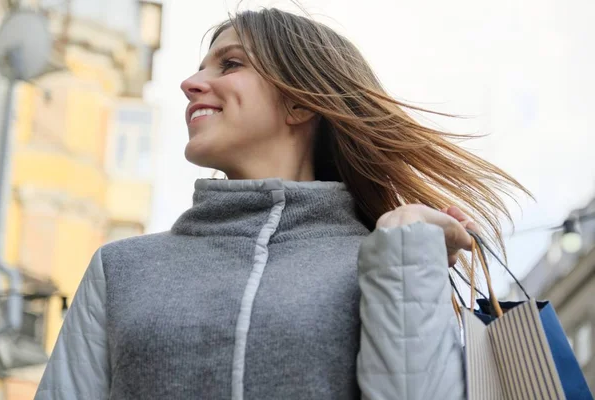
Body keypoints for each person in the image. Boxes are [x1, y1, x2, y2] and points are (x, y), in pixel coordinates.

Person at [35, 8, 528, 400]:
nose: (190, 82)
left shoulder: (385, 260)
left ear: (300, 102)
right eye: (202, 66)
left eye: (230, 64)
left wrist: (406, 253)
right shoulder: (121, 269)